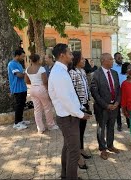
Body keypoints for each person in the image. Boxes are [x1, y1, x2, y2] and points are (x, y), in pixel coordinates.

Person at [48, 43, 91, 180]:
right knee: (73, 152)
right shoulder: (59, 73)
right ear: (62, 55)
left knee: (67, 147)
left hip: (69, 115)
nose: (72, 56)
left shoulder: (61, 70)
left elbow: (70, 95)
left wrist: (79, 108)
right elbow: (65, 99)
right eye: (70, 53)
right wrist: (80, 114)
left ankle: (65, 175)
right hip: (68, 118)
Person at [90, 53, 121, 160]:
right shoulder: (96, 74)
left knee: (111, 126)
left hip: (114, 106)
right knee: (101, 128)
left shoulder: (115, 73)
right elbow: (95, 93)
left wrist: (117, 102)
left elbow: (118, 90)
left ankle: (110, 145)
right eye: (111, 59)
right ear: (103, 60)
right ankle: (102, 149)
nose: (113, 61)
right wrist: (106, 105)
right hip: (102, 108)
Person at [68, 51, 92, 170]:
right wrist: (80, 107)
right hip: (78, 106)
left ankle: (81, 149)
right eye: (82, 59)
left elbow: (85, 89)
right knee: (76, 131)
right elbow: (73, 92)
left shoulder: (81, 71)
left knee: (82, 130)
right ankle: (77, 155)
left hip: (85, 104)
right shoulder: (72, 73)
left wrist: (87, 103)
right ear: (76, 60)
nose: (84, 61)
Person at [24, 54, 58, 134]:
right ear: (38, 60)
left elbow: (26, 81)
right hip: (41, 88)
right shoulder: (41, 69)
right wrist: (48, 92)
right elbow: (45, 82)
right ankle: (51, 125)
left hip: (32, 89)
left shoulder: (27, 69)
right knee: (47, 107)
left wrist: (33, 82)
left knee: (37, 109)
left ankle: (40, 128)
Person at [7, 49, 30, 130]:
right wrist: (28, 74)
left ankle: (20, 120)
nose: (23, 58)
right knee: (19, 106)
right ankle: (16, 123)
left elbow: (22, 74)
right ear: (17, 55)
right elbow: (19, 75)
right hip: (17, 89)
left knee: (22, 105)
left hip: (23, 88)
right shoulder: (12, 64)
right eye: (22, 56)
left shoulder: (19, 64)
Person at [112, 52, 129, 131]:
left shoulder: (125, 66)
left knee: (127, 107)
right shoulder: (112, 67)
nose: (120, 58)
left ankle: (129, 124)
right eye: (118, 57)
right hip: (117, 90)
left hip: (126, 90)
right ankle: (119, 125)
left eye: (121, 57)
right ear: (115, 58)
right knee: (117, 108)